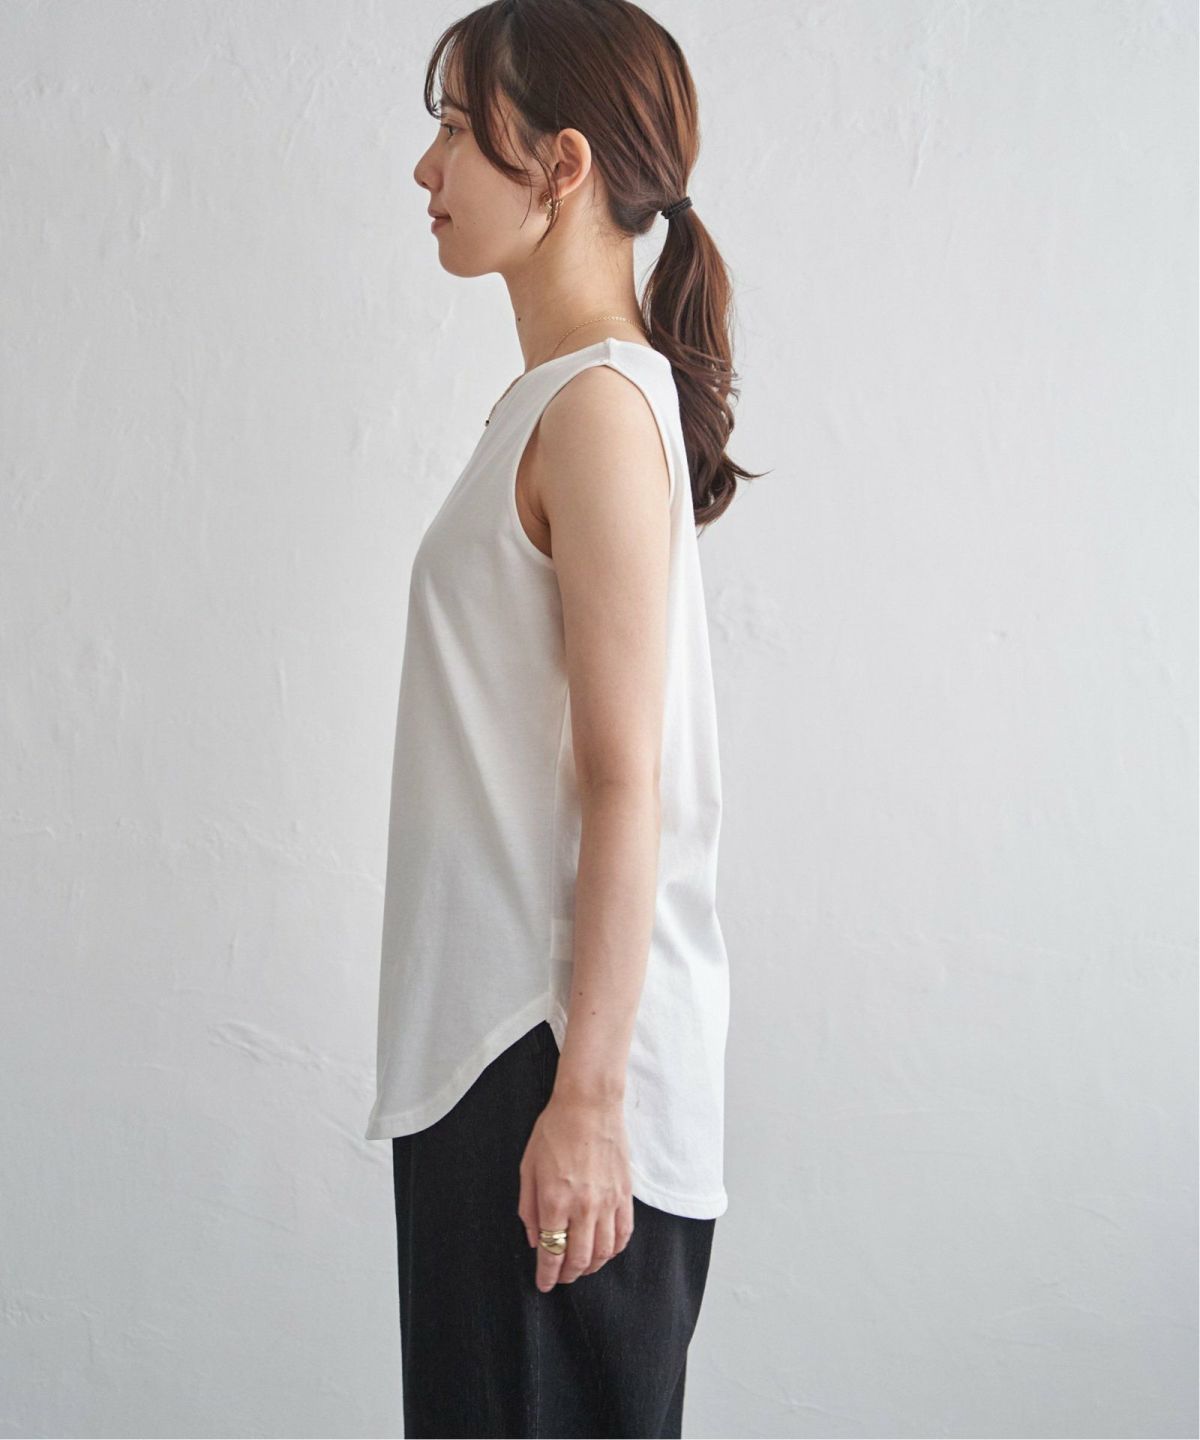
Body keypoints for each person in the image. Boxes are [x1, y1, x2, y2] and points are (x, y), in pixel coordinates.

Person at [365, 1, 763, 1435]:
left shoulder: (594, 408)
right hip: (502, 1062)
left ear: (563, 164)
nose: (427, 169)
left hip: (547, 1066)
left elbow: (622, 776)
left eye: (456, 130)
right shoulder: (554, 403)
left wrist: (588, 1096)